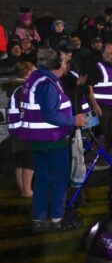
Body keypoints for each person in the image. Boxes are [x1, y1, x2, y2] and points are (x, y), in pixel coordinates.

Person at [19, 48, 88, 232]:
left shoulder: (38, 79)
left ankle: (39, 219)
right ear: (56, 64)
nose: (66, 65)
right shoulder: (48, 83)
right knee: (59, 179)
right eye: (64, 62)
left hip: (40, 140)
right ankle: (57, 218)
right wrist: (75, 120)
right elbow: (51, 114)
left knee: (42, 179)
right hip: (52, 140)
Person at [89, 42, 112, 153]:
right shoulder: (97, 68)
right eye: (111, 54)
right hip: (101, 107)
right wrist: (95, 105)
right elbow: (89, 87)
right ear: (103, 55)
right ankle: (98, 160)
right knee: (100, 135)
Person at [5, 62, 35, 197]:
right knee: (29, 161)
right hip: (24, 131)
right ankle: (27, 190)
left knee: (20, 161)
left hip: (15, 131)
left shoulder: (15, 88)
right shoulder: (24, 89)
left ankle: (22, 189)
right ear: (28, 72)